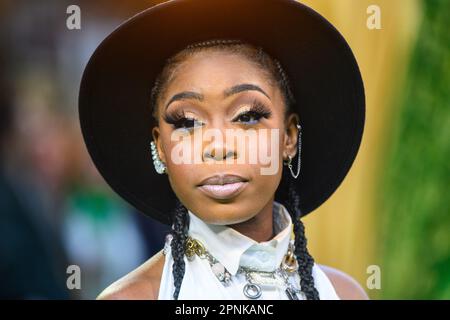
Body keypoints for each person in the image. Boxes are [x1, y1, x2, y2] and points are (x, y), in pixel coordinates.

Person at [79, 0, 368, 300]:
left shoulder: (343, 294)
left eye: (247, 116)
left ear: (289, 136)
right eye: (188, 122)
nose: (218, 147)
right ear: (160, 146)